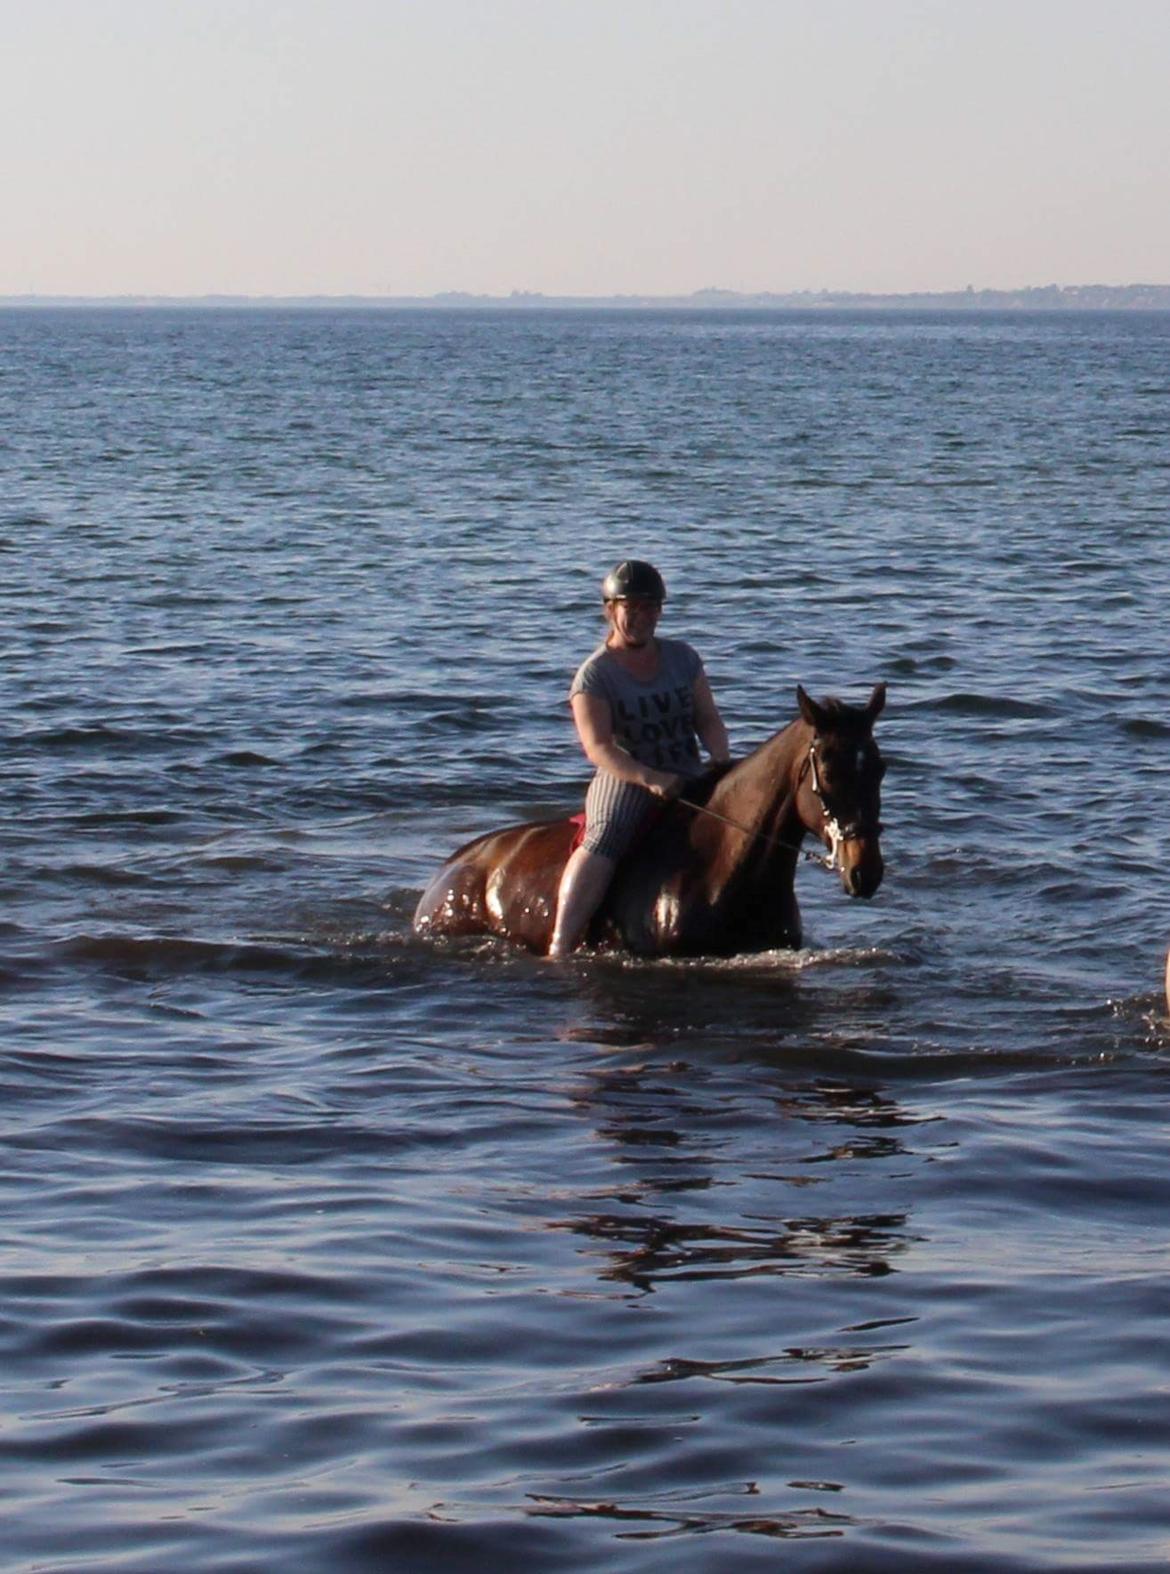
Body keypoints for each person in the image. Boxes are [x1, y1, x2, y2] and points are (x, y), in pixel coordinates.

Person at [547, 559, 730, 958]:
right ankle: (561, 944)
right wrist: (648, 778)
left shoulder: (683, 658)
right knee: (605, 837)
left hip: (686, 769)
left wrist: (720, 760)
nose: (643, 617)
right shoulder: (595, 675)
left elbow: (708, 718)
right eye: (633, 608)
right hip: (626, 778)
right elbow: (599, 748)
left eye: (651, 608)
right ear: (611, 610)